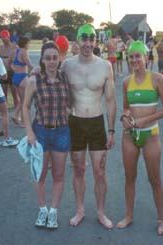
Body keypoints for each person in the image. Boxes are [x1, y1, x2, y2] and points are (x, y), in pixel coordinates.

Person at [61, 24, 117, 229]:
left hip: (96, 123)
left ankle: (101, 212)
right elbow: (54, 85)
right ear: (77, 41)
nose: (87, 43)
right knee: (78, 170)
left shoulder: (105, 66)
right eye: (84, 38)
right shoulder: (67, 65)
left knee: (99, 171)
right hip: (75, 123)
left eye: (91, 38)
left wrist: (111, 130)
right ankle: (80, 210)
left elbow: (110, 100)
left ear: (95, 41)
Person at [117, 40, 163, 235]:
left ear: (146, 57)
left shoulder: (157, 79)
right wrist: (124, 117)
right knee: (130, 177)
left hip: (150, 135)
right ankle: (129, 215)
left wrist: (146, 120)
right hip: (130, 135)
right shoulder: (125, 82)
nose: (134, 60)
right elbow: (125, 107)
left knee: (154, 179)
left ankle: (161, 219)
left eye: (137, 56)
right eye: (131, 56)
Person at [23, 42, 71, 229]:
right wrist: (29, 132)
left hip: (61, 132)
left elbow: (70, 102)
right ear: (42, 60)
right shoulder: (35, 80)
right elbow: (26, 107)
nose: (51, 61)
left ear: (59, 59)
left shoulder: (64, 78)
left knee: (59, 175)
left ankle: (53, 212)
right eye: (48, 58)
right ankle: (42, 209)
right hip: (41, 132)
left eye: (54, 57)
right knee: (40, 175)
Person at [9, 36, 34, 127]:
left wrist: (14, 69)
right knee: (25, 102)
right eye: (28, 43)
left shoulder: (14, 51)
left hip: (15, 77)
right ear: (25, 43)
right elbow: (30, 65)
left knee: (22, 100)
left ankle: (21, 120)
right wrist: (39, 71)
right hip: (23, 77)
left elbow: (8, 63)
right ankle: (16, 116)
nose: (29, 45)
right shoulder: (24, 52)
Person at [0, 29, 19, 108]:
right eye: (1, 37)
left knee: (15, 94)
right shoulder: (0, 47)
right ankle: (5, 113)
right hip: (3, 72)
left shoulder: (14, 47)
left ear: (8, 37)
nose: (3, 39)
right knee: (3, 95)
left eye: (4, 37)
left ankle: (17, 114)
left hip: (12, 72)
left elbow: (18, 60)